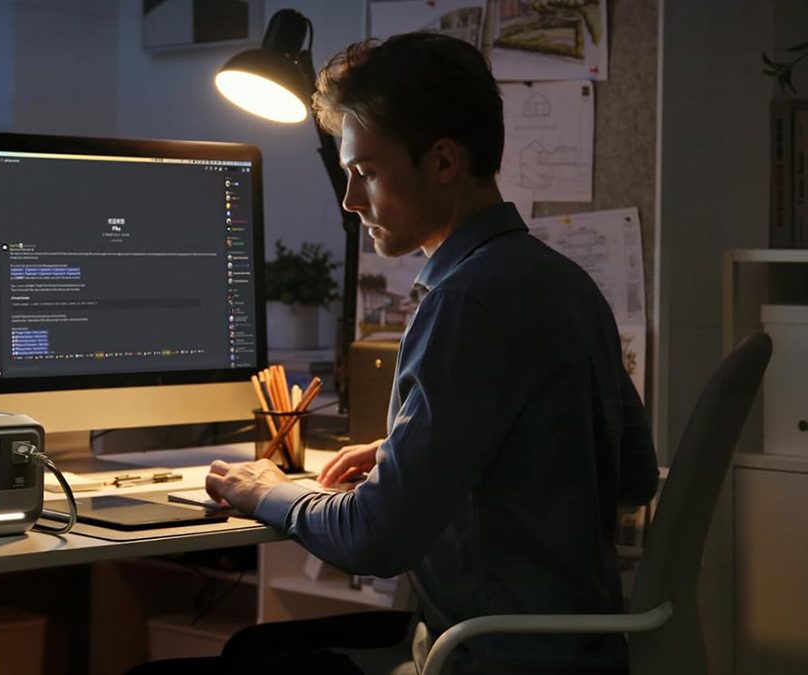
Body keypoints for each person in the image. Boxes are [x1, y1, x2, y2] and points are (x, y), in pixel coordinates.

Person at [131, 31, 659, 675]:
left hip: (485, 656)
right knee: (255, 648)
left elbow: (376, 536)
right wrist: (418, 454)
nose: (352, 202)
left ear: (443, 162)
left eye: (367, 173)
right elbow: (630, 474)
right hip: (576, 652)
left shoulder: (465, 302)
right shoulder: (564, 282)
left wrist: (267, 491)